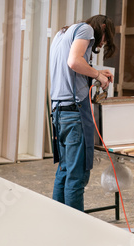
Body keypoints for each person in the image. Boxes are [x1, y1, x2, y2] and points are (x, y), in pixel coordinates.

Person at [49, 14, 116, 211]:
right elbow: (74, 62)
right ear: (102, 27)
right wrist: (98, 76)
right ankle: (77, 232)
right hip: (74, 112)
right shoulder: (86, 30)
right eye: (105, 39)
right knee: (77, 176)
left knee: (64, 170)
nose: (101, 44)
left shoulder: (62, 33)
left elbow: (71, 67)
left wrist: (97, 71)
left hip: (59, 111)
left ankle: (59, 223)